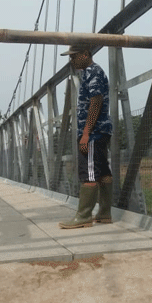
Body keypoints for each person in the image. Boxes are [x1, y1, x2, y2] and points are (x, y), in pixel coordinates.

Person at [58, 45, 114, 229]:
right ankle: (104, 213)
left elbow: (96, 102)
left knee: (89, 173)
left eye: (74, 57)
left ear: (85, 54)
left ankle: (83, 217)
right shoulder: (91, 72)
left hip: (93, 132)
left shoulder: (93, 72)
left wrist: (86, 133)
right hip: (101, 131)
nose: (71, 61)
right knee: (103, 172)